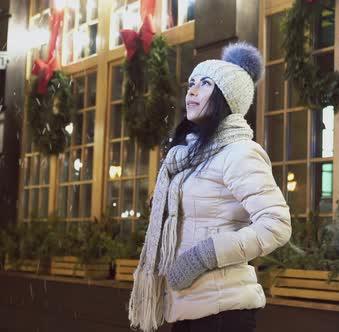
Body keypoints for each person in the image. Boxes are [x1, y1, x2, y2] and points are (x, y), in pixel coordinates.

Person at [128, 42, 292, 332]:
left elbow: (276, 225)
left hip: (223, 311)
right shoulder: (186, 157)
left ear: (226, 97)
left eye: (205, 84)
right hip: (185, 307)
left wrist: (205, 255)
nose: (192, 91)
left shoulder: (239, 152)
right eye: (191, 83)